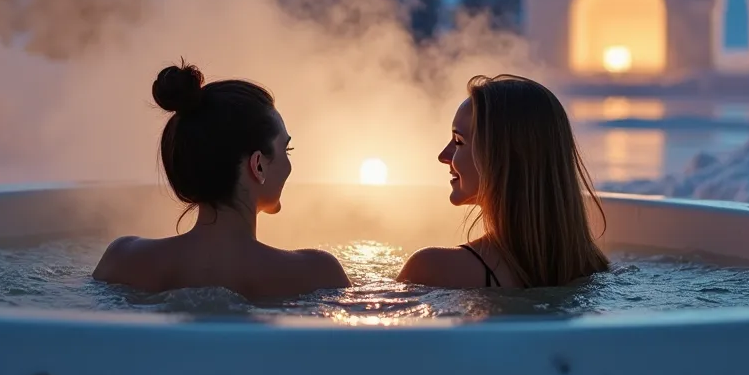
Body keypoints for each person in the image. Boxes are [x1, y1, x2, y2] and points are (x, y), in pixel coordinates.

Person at [93, 62, 351, 298]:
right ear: (258, 165)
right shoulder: (317, 274)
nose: (289, 165)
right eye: (286, 150)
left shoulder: (123, 260)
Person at [397, 74, 611, 288]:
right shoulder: (593, 267)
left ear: (500, 157)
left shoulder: (431, 268)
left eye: (459, 141)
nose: (443, 155)